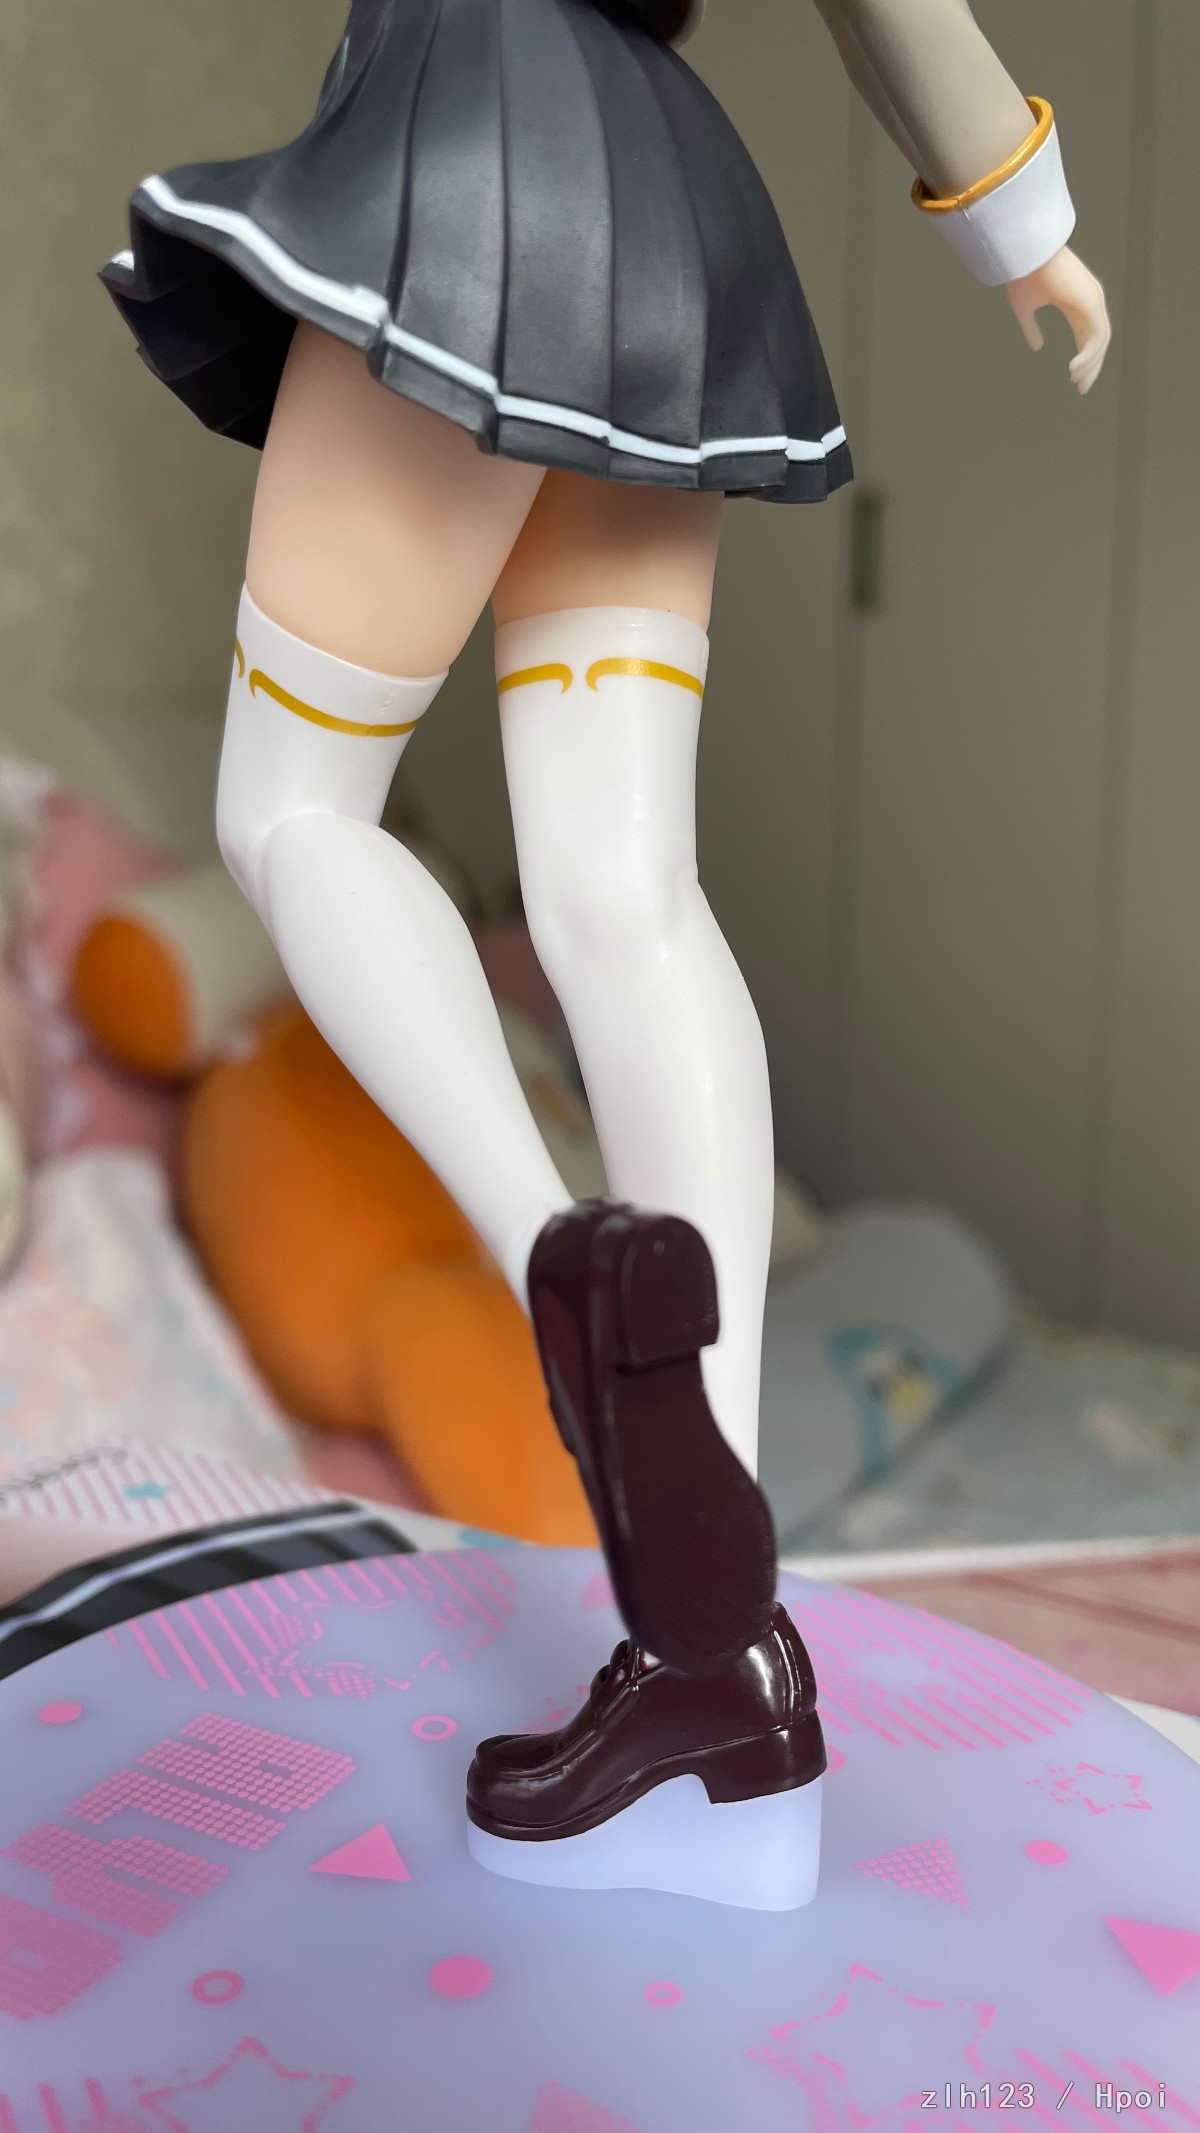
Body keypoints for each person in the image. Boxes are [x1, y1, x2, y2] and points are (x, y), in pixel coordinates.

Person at [102, 0, 1110, 1906]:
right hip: (668, 200)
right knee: (628, 890)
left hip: (469, 150)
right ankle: (719, 1659)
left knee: (296, 811)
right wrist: (1019, 223)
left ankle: (562, 1278)